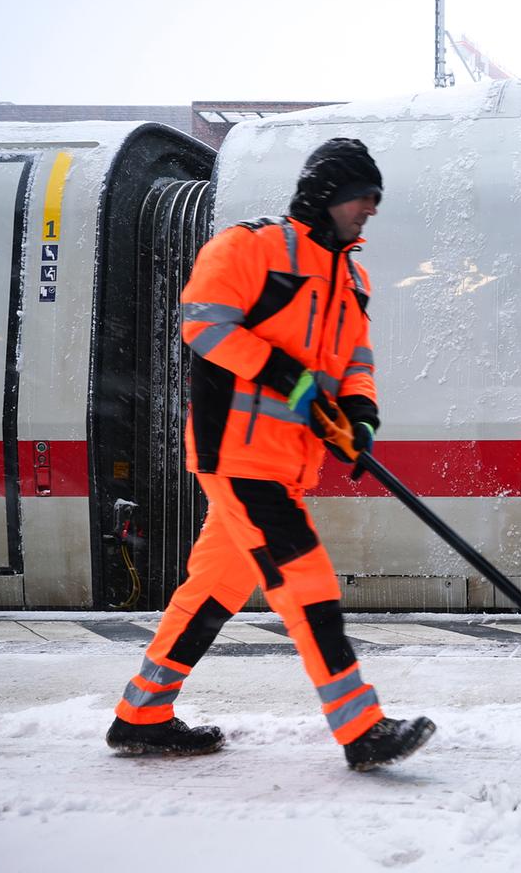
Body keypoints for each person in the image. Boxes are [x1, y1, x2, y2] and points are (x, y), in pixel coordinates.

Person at [106, 138, 436, 772]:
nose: (370, 210)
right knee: (305, 576)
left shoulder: (351, 276)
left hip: (287, 460)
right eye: (361, 198)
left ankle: (141, 714)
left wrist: (360, 415)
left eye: (374, 200)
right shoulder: (251, 247)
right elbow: (204, 324)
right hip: (235, 451)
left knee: (216, 587)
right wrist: (287, 375)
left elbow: (354, 362)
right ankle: (360, 727)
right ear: (326, 196)